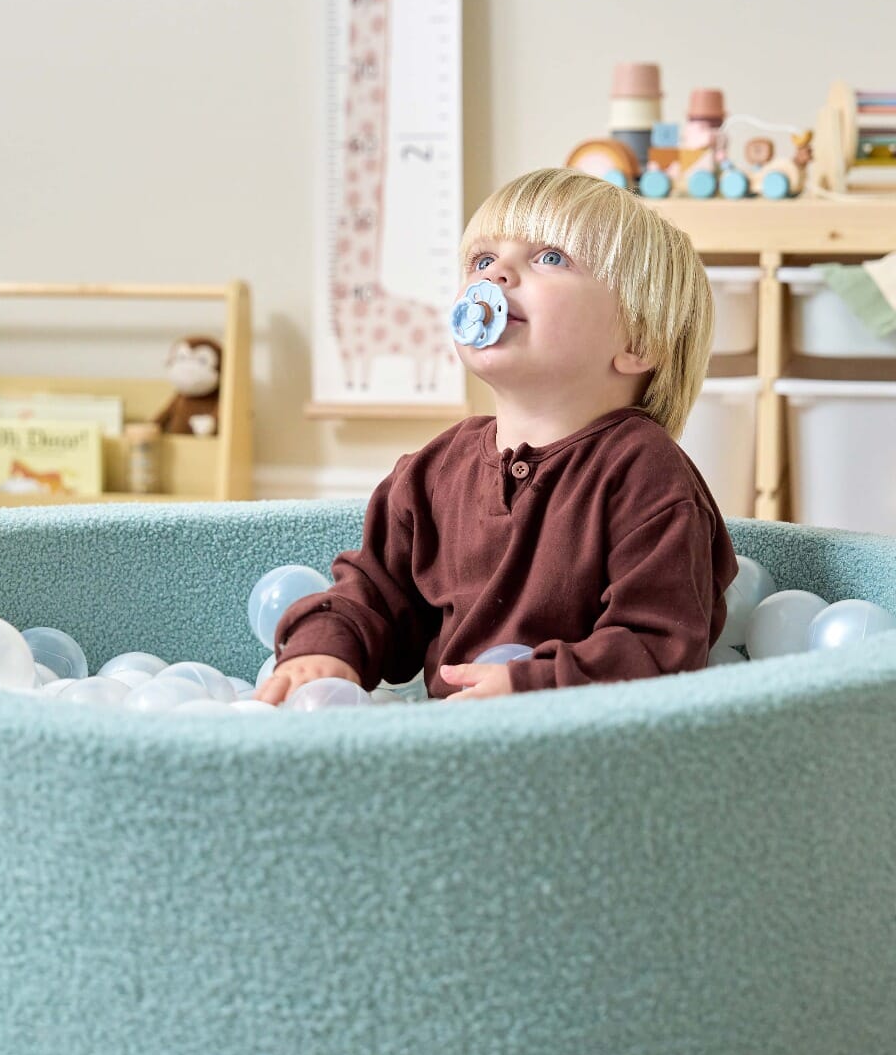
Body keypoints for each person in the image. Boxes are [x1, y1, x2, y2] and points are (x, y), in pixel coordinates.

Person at [257, 167, 738, 705]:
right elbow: (373, 592)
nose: (498, 275)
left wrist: (531, 686)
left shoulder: (645, 473)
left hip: (579, 751)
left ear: (638, 339)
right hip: (454, 742)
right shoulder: (433, 470)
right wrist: (327, 649)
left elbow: (662, 643)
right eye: (483, 260)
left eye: (550, 258)